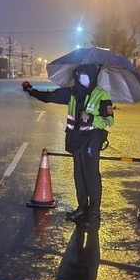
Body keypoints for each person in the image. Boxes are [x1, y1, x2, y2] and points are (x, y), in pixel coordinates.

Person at [27, 64, 114, 225]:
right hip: (76, 142)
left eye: (85, 74)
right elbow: (50, 96)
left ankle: (94, 214)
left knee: (92, 177)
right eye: (79, 75)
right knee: (79, 177)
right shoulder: (73, 93)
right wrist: (31, 91)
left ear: (92, 76)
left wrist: (92, 118)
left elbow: (110, 121)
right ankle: (81, 208)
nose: (82, 78)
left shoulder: (102, 95)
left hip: (91, 142)